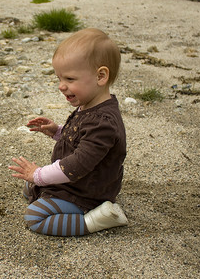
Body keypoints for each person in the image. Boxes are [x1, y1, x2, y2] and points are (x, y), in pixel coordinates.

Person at [8, 28, 128, 236]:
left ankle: (95, 219)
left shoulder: (103, 123)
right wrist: (57, 131)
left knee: (35, 216)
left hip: (87, 191)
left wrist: (38, 174)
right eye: (59, 79)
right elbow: (82, 140)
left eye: (70, 79)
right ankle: (51, 193)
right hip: (77, 180)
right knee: (30, 188)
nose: (61, 86)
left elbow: (77, 164)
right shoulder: (90, 106)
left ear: (101, 76)